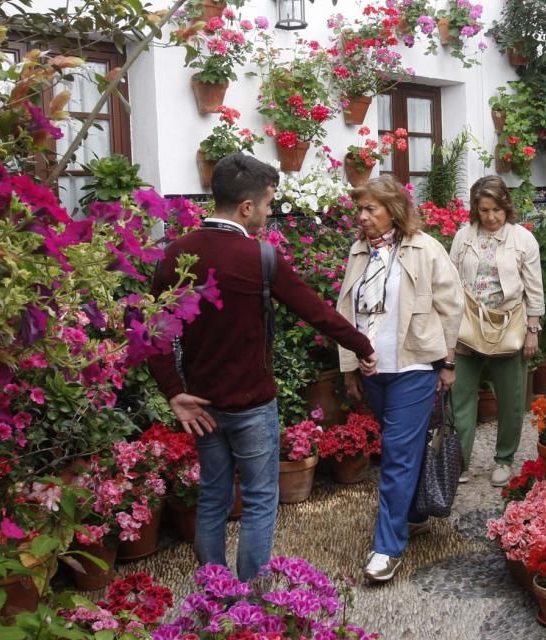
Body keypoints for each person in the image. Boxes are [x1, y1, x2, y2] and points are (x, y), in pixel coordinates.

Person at [149, 153, 377, 583]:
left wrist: (173, 391)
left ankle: (213, 593)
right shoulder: (261, 258)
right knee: (258, 500)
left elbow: (151, 331)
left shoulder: (175, 255)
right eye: (269, 202)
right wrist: (362, 345)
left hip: (201, 405)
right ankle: (255, 602)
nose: (271, 211)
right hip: (252, 404)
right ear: (247, 207)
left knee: (214, 497)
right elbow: (316, 312)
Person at [336, 175, 463, 583]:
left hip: (413, 366)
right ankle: (414, 512)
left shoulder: (426, 249)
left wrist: (447, 362)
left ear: (394, 209)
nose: (363, 217)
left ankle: (387, 548)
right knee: (405, 449)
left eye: (371, 209)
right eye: (360, 209)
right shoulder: (359, 251)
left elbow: (451, 306)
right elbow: (345, 312)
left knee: (395, 454)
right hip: (375, 371)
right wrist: (350, 366)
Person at [450, 175, 544, 487]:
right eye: (484, 210)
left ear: (506, 207)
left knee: (511, 399)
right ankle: (459, 462)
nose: (491, 217)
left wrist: (533, 330)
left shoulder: (522, 239)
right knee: (459, 397)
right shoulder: (463, 236)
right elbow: (450, 283)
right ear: (475, 209)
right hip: (467, 327)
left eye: (497, 210)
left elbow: (534, 288)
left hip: (508, 326)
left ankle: (504, 459)